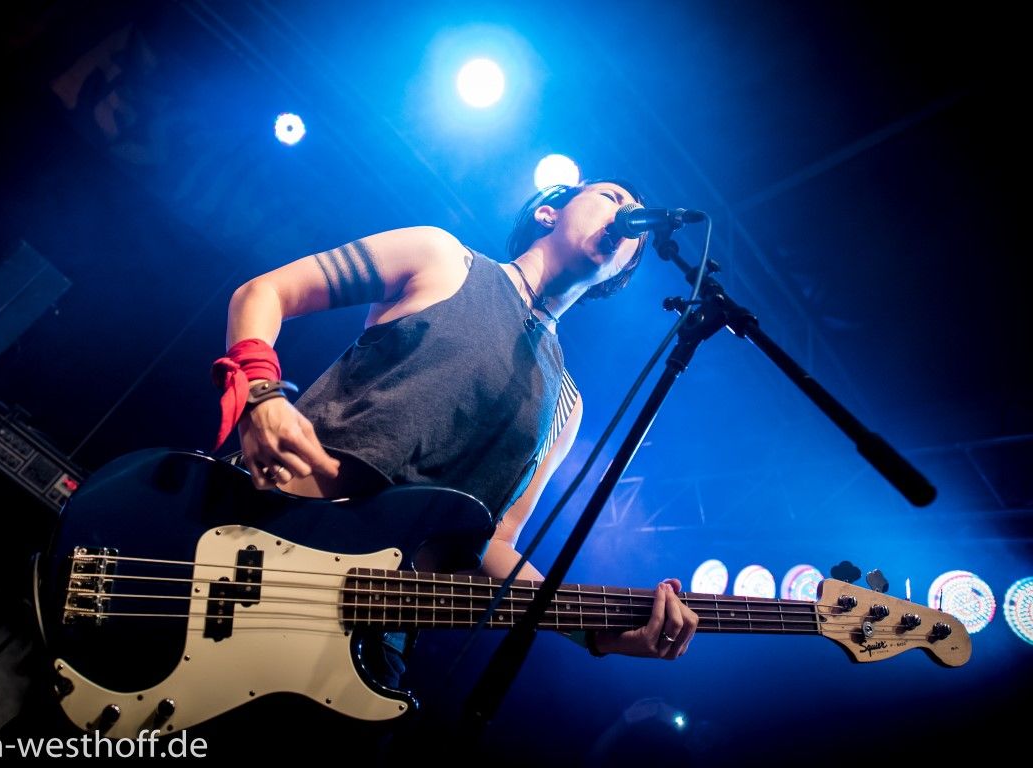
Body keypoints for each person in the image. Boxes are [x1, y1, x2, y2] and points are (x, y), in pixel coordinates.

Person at [212, 178, 699, 664]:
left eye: (637, 230)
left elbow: (493, 544)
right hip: (259, 538)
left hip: (368, 643)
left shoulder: (566, 406)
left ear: (620, 272)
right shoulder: (441, 257)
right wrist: (260, 396)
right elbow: (265, 292)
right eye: (611, 197)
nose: (626, 215)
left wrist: (597, 632)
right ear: (549, 212)